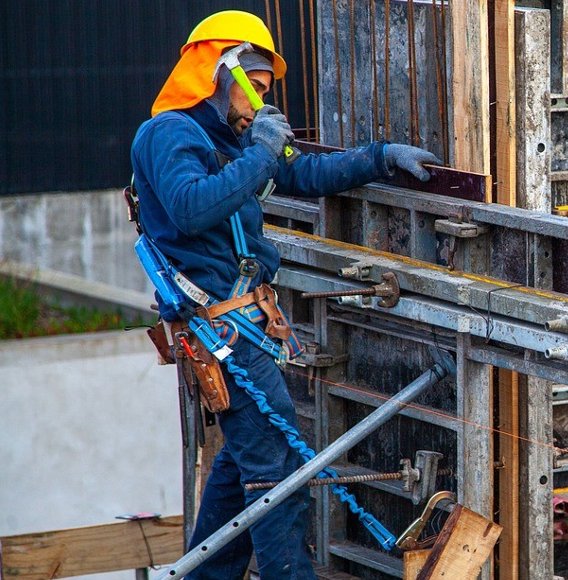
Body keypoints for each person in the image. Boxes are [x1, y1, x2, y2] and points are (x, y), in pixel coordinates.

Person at [130, 10, 438, 580]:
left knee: (243, 471)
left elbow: (307, 174)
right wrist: (261, 153)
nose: (264, 102)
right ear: (227, 72)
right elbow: (191, 207)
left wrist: (381, 156)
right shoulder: (169, 133)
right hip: (223, 333)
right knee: (281, 479)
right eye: (260, 87)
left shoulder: (235, 140)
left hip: (242, 329)